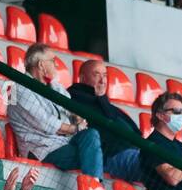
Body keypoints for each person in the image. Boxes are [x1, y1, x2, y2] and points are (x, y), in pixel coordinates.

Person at [8, 43, 104, 181]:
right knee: (91, 155)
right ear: (41, 65)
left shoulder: (55, 86)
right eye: (53, 61)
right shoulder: (19, 89)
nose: (57, 65)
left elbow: (71, 108)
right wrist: (76, 128)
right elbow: (47, 125)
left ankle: (93, 187)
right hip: (42, 150)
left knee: (91, 135)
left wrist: (77, 117)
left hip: (63, 144)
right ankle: (94, 188)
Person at [66, 57, 141, 180]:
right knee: (158, 168)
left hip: (132, 153)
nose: (103, 81)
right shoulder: (74, 98)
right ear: (82, 78)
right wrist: (101, 97)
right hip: (112, 156)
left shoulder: (105, 104)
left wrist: (102, 99)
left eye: (105, 75)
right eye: (97, 75)